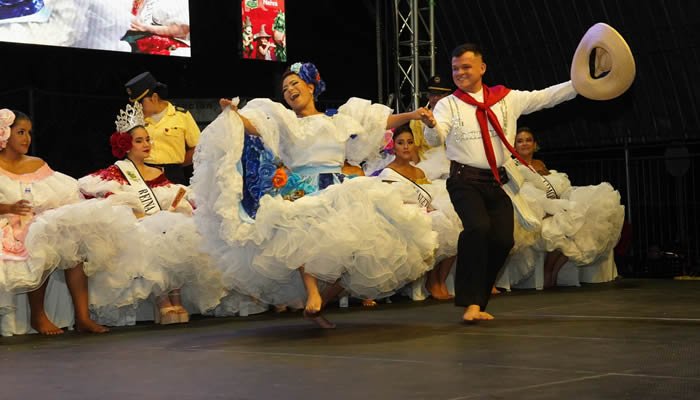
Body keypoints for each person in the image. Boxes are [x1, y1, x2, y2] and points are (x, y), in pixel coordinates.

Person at [198, 61, 438, 328]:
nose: (289, 90)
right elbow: (255, 126)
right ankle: (312, 294)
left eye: (294, 84)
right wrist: (233, 115)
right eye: (285, 88)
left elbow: (377, 123)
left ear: (311, 87)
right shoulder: (285, 122)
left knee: (355, 251)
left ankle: (320, 302)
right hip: (302, 188)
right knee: (302, 236)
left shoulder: (338, 121)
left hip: (337, 187)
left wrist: (413, 115)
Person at [423, 43, 578, 322]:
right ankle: (470, 301)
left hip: (496, 182)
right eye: (455, 68)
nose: (459, 73)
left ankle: (479, 302)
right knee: (478, 228)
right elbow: (437, 137)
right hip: (463, 180)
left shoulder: (506, 99)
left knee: (503, 240)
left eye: (466, 67)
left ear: (482, 68)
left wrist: (580, 83)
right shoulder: (448, 104)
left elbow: (545, 97)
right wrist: (432, 125)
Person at [78, 102, 228, 324]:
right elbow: (107, 200)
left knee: (178, 232)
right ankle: (162, 301)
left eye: (147, 139)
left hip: (158, 223)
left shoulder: (158, 172)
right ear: (126, 145)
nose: (147, 144)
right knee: (154, 235)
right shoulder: (117, 173)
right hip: (133, 227)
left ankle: (176, 298)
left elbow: (173, 198)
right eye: (139, 141)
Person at [0, 109, 109, 334]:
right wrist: (9, 208)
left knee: (72, 240)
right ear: (4, 134)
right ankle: (38, 316)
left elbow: (61, 195)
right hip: (7, 223)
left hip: (35, 222)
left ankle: (83, 317)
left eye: (29, 133)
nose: (27, 138)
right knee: (38, 239)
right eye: (20, 132)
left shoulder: (36, 164)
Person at [512, 127, 624, 288]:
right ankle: (548, 270)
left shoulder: (539, 164)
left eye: (528, 140)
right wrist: (547, 209)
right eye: (520, 141)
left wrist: (561, 204)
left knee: (582, 220)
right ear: (514, 146)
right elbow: (524, 194)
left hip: (553, 205)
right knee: (559, 228)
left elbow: (553, 187)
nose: (525, 144)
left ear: (535, 144)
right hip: (532, 210)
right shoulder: (513, 166)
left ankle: (554, 271)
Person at [378, 124, 460, 300]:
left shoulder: (419, 171)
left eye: (409, 142)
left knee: (453, 226)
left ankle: (440, 281)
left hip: (424, 213)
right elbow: (390, 204)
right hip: (403, 218)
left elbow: (430, 197)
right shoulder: (388, 172)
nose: (406, 147)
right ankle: (432, 282)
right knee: (437, 226)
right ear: (393, 147)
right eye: (401, 143)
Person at [124, 71, 200, 185]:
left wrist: (175, 164)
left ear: (154, 98)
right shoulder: (134, 120)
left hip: (174, 177)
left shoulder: (181, 116)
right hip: (143, 175)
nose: (137, 107)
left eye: (140, 103)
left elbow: (198, 147)